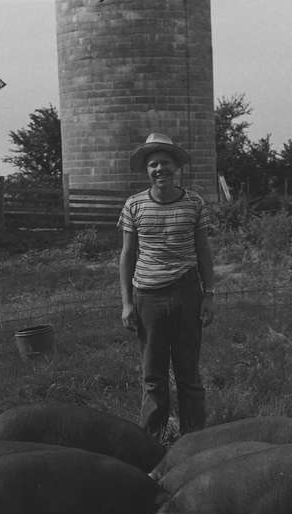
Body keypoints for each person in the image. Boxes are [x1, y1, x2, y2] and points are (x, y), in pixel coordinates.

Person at [118, 132, 216, 443]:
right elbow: (127, 254)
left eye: (165, 163)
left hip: (187, 292)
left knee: (189, 371)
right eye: (153, 165)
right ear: (147, 171)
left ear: (176, 167)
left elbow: (203, 250)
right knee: (153, 374)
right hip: (148, 296)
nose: (160, 169)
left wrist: (209, 295)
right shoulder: (134, 205)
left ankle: (193, 439)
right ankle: (151, 441)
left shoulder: (194, 203)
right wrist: (127, 303)